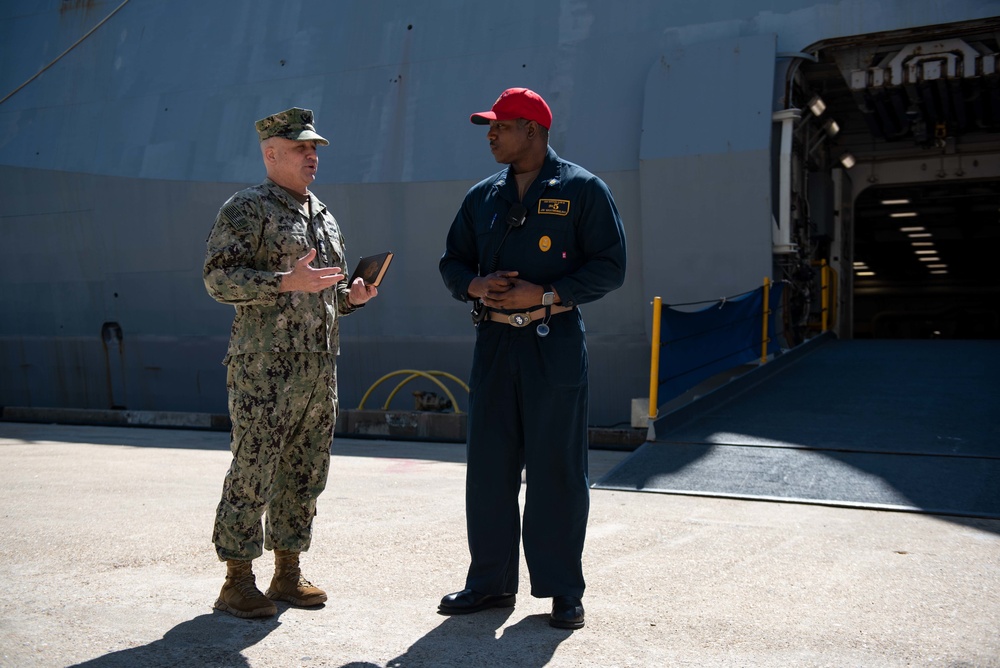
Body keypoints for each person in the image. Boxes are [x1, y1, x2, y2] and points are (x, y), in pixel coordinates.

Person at [438, 88, 627, 629]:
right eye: (490, 127)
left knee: (557, 470)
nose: (492, 134)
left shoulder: (583, 190)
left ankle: (564, 589)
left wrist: (544, 295)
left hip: (553, 343)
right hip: (495, 346)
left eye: (501, 126)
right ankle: (489, 585)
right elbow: (452, 259)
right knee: (489, 470)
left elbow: (609, 268)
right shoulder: (481, 197)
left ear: (534, 131)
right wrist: (474, 284)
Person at [203, 107, 377, 619]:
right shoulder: (246, 209)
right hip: (264, 368)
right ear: (270, 153)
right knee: (253, 470)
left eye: (316, 147)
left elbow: (326, 296)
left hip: (318, 368)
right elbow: (217, 280)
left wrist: (352, 297)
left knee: (305, 472)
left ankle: (287, 572)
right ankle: (236, 579)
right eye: (302, 147)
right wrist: (282, 281)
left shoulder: (323, 215)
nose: (312, 155)